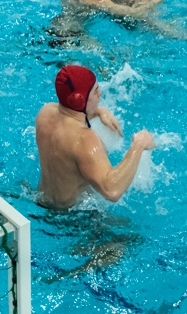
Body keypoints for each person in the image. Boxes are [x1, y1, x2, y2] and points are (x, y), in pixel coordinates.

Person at [35, 65, 156, 209]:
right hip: (72, 221)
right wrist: (138, 145)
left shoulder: (45, 113)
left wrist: (99, 111)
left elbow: (71, 115)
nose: (100, 94)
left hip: (40, 203)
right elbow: (112, 190)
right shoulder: (85, 140)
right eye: (95, 91)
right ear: (78, 100)